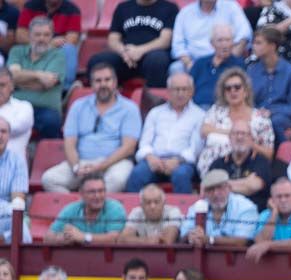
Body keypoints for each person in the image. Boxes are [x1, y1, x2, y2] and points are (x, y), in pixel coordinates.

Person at [42, 62, 141, 194]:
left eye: (107, 80)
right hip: (82, 162)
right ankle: (78, 209)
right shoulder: (78, 106)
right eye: (98, 81)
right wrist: (76, 166)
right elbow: (69, 142)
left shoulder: (129, 108)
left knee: (117, 180)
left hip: (114, 163)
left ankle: (91, 208)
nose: (103, 85)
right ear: (92, 84)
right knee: (49, 179)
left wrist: (100, 166)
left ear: (115, 82)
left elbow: (128, 148)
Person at [126, 73, 205, 194]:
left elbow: (195, 149)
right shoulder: (156, 113)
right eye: (176, 89)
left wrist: (177, 161)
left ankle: (184, 212)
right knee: (137, 174)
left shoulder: (199, 115)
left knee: (181, 175)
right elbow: (144, 142)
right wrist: (151, 157)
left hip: (182, 162)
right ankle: (133, 212)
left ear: (192, 91)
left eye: (184, 89)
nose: (180, 93)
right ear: (168, 91)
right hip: (154, 159)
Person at [197, 66, 275, 176]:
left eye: (237, 87)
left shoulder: (260, 119)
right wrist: (233, 133)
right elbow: (204, 130)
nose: (232, 91)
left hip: (245, 169)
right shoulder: (216, 111)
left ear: (246, 91)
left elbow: (269, 154)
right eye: (228, 88)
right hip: (211, 168)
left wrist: (250, 144)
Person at [89, 0, 176, 88]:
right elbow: (113, 39)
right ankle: (103, 100)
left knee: (158, 60)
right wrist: (124, 52)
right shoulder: (123, 7)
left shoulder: (169, 8)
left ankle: (156, 100)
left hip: (151, 56)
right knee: (97, 61)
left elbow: (165, 41)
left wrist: (139, 51)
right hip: (126, 58)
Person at [8, 16, 68, 140]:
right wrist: (39, 75)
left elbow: (47, 84)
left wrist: (18, 82)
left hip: (44, 109)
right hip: (16, 105)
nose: (42, 39)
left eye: (46, 35)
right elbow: (11, 76)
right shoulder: (17, 51)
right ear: (29, 35)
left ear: (51, 36)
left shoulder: (58, 56)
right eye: (37, 34)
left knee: (51, 121)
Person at [245, 27, 291, 145]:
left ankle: (281, 158)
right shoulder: (251, 71)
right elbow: (247, 100)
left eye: (259, 43)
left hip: (281, 117)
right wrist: (256, 112)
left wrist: (271, 111)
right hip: (256, 115)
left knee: (274, 122)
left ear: (272, 46)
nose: (254, 47)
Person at [180, 168, 261, 245]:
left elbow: (243, 241)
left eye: (220, 187)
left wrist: (210, 240)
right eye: (210, 189)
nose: (216, 193)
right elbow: (182, 238)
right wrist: (190, 236)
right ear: (204, 192)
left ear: (229, 188)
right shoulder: (196, 208)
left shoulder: (245, 207)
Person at [247, 176, 291, 261]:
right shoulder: (266, 214)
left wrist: (269, 245)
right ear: (272, 199)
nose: (283, 200)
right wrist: (274, 213)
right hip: (272, 265)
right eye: (279, 196)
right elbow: (260, 243)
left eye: (287, 196)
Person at [171, 0, 252, 76]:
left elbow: (245, 34)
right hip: (193, 62)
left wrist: (231, 57)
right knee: (176, 68)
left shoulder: (231, 6)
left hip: (226, 59)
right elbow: (178, 46)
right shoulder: (185, 13)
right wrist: (190, 64)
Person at [45, 173, 127, 244]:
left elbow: (114, 239)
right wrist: (63, 238)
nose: (97, 196)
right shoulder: (71, 209)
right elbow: (47, 238)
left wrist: (84, 237)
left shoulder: (115, 208)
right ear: (81, 193)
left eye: (101, 191)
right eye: (92, 192)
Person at [210, 118, 272, 209]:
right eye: (236, 133)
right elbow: (209, 188)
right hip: (224, 213)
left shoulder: (261, 161)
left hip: (254, 214)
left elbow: (254, 186)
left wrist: (221, 184)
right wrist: (245, 183)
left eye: (244, 134)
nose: (239, 137)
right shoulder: (218, 164)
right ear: (229, 138)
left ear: (251, 139)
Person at [15, 0, 82, 83]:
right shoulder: (30, 6)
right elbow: (20, 35)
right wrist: (45, 43)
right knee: (18, 49)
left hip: (57, 50)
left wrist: (48, 46)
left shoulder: (72, 10)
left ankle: (65, 87)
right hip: (33, 47)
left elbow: (72, 40)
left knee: (69, 49)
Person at [190, 24, 245, 107]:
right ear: (212, 43)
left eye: (228, 40)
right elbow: (189, 87)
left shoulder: (239, 65)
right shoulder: (200, 63)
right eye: (220, 40)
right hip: (197, 108)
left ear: (233, 43)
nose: (224, 44)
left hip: (225, 108)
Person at [118, 183, 184, 243]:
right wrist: (147, 241)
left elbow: (167, 241)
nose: (152, 206)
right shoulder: (136, 212)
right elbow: (122, 240)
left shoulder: (173, 212)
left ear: (164, 203)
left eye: (156, 202)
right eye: (148, 202)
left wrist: (136, 240)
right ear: (141, 205)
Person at [0, 117, 28, 245]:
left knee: (22, 229)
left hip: (5, 215)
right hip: (5, 209)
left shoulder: (17, 160)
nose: (0, 135)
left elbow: (18, 200)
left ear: (9, 136)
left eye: (3, 131)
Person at [0, 67, 33, 156]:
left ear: (11, 86)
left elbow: (10, 128)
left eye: (2, 85)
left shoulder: (24, 108)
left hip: (13, 168)